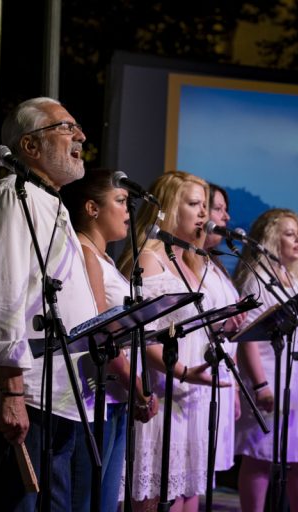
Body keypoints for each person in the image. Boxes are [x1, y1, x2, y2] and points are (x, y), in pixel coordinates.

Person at [0, 97, 97, 511]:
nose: (80, 136)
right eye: (66, 127)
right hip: (28, 395)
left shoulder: (49, 202)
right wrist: (11, 390)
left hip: (60, 396)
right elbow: (2, 295)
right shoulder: (14, 195)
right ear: (30, 145)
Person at [118, 170, 219, 511]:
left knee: (184, 496)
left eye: (205, 205)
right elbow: (140, 335)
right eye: (193, 204)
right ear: (170, 208)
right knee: (151, 497)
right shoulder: (150, 259)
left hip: (188, 396)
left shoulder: (189, 261)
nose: (203, 213)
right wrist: (184, 371)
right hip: (161, 393)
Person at [61, 168, 159, 511]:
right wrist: (137, 385)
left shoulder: (104, 258)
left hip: (116, 394)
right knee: (89, 500)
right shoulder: (85, 253)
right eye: (120, 201)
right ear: (92, 208)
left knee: (105, 502)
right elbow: (101, 329)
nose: (129, 211)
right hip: (98, 395)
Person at [233, 208, 298, 512]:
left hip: (296, 379)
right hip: (268, 378)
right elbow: (247, 337)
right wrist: (261, 386)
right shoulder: (256, 280)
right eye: (289, 234)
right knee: (260, 456)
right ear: (271, 239)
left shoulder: (292, 279)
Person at [202, 183, 245, 476]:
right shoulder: (189, 264)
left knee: (203, 475)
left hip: (222, 376)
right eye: (218, 209)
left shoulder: (215, 263)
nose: (226, 217)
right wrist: (222, 323)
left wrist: (236, 388)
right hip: (196, 375)